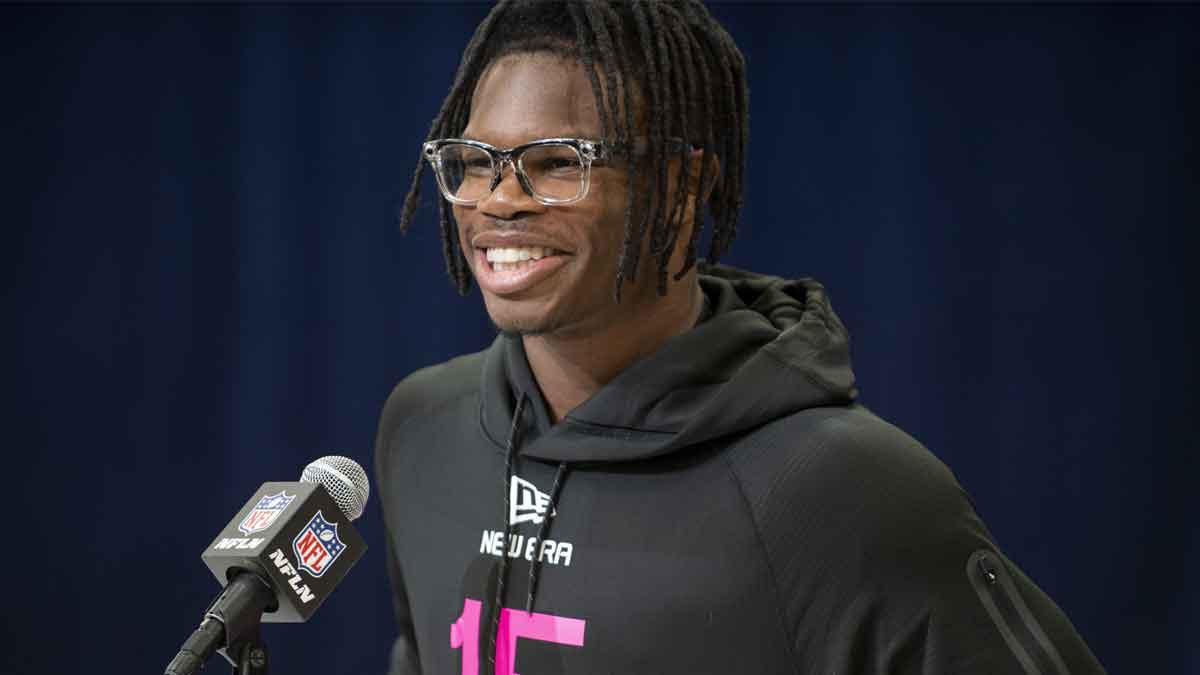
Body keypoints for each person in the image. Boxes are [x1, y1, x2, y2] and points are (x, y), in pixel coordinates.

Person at [375, 2, 1106, 673]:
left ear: (682, 187)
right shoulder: (424, 428)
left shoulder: (845, 490)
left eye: (559, 162)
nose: (498, 200)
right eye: (473, 163)